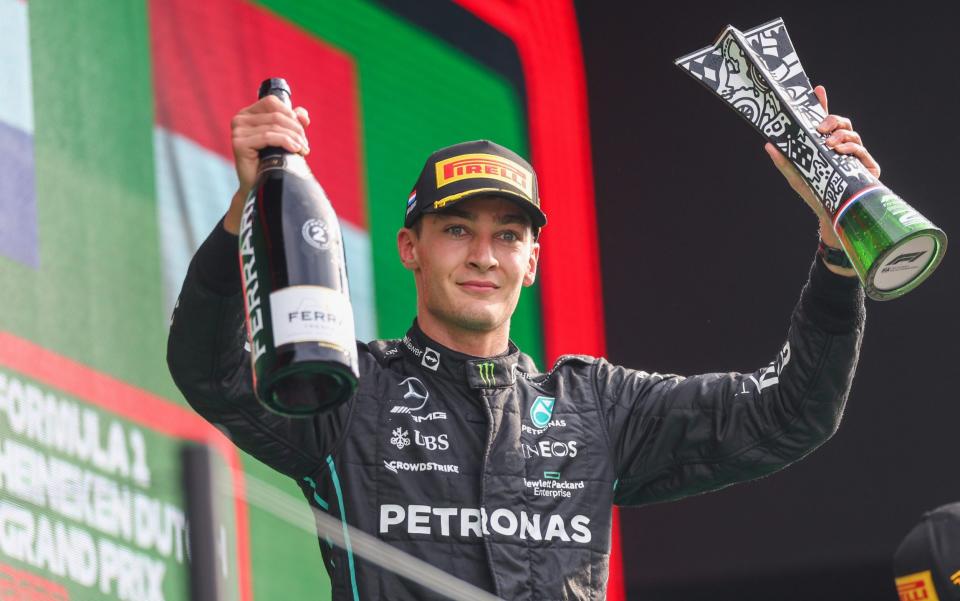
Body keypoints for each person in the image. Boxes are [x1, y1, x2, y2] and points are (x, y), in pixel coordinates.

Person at [167, 84, 871, 600]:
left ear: (532, 262)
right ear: (410, 247)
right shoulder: (354, 392)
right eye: (457, 229)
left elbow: (790, 413)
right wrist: (247, 209)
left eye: (507, 235)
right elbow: (210, 369)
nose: (483, 255)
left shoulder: (595, 405)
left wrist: (838, 255)